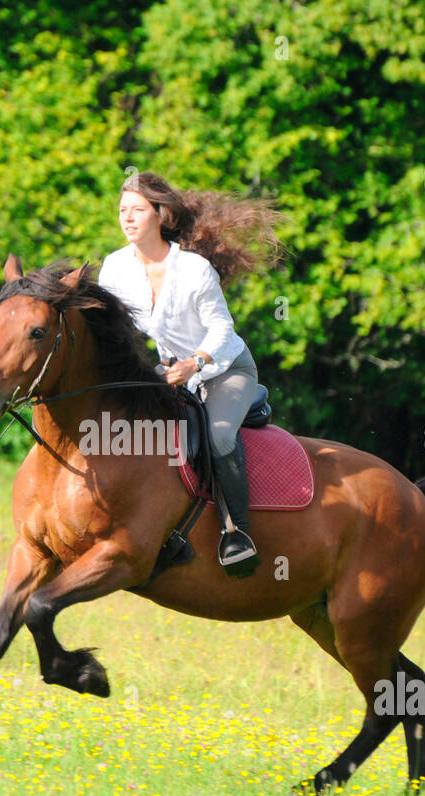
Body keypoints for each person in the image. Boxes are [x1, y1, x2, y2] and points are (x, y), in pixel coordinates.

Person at [96, 172, 285, 578]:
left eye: (137, 211)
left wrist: (195, 363)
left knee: (218, 435)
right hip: (168, 373)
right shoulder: (113, 268)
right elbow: (113, 329)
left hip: (223, 368)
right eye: (122, 211)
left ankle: (238, 534)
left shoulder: (195, 269)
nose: (127, 219)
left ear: (161, 215)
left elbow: (222, 328)